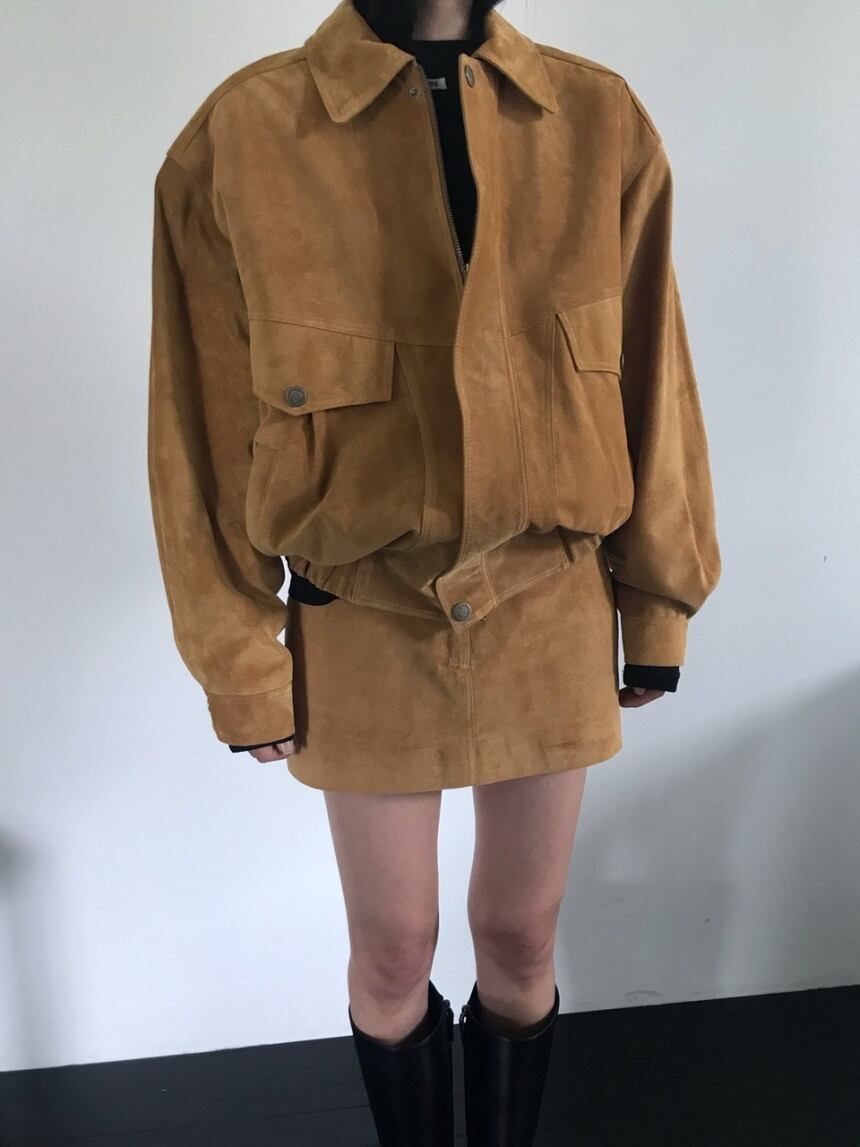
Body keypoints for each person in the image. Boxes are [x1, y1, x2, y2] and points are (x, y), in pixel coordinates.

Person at [146, 0, 722, 1141]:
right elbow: (197, 428)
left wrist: (657, 603)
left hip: (548, 603)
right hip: (362, 611)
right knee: (393, 946)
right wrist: (239, 662)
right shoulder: (245, 131)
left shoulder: (596, 116)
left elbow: (655, 377)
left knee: (522, 934)